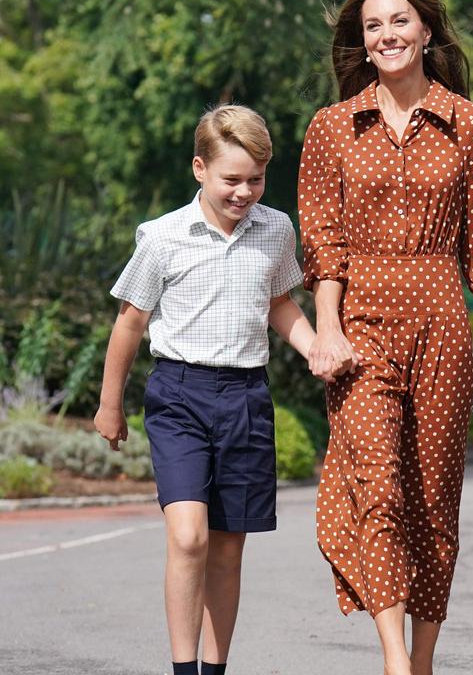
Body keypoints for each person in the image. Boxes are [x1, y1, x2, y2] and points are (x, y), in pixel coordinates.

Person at [297, 0, 473, 675]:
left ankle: (421, 661)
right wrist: (327, 330)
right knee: (379, 486)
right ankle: (395, 657)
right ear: (362, 43)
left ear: (426, 31)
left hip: (441, 325)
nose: (386, 35)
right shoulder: (332, 128)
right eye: (373, 26)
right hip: (360, 324)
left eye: (399, 21)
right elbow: (323, 240)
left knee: (432, 497)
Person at [93, 105, 315, 675]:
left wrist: (315, 348)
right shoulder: (163, 237)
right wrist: (110, 403)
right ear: (199, 168)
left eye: (256, 179)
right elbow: (130, 323)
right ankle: (183, 668)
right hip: (179, 396)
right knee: (189, 536)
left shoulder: (275, 229)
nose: (245, 192)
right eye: (231, 179)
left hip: (246, 398)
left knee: (227, 546)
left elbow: (279, 303)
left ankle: (216, 668)